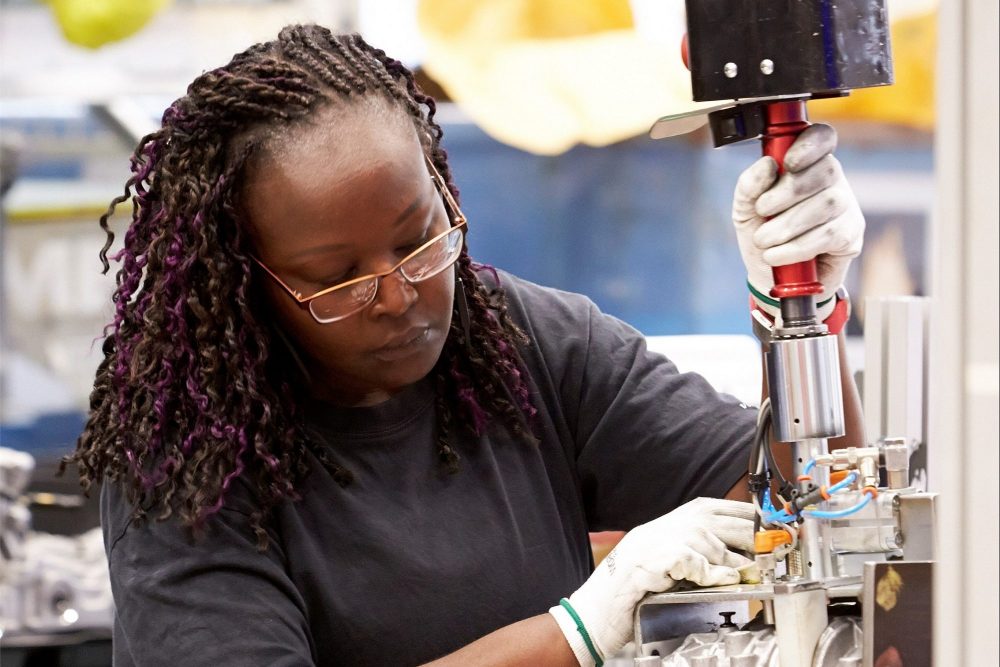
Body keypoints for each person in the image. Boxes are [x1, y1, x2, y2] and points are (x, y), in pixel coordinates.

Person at [65, 25, 864, 666]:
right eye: (337, 278)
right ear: (248, 282)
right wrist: (577, 631)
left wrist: (803, 311)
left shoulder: (520, 341)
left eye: (419, 239)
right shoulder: (187, 457)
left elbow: (821, 510)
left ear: (446, 188)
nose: (400, 293)